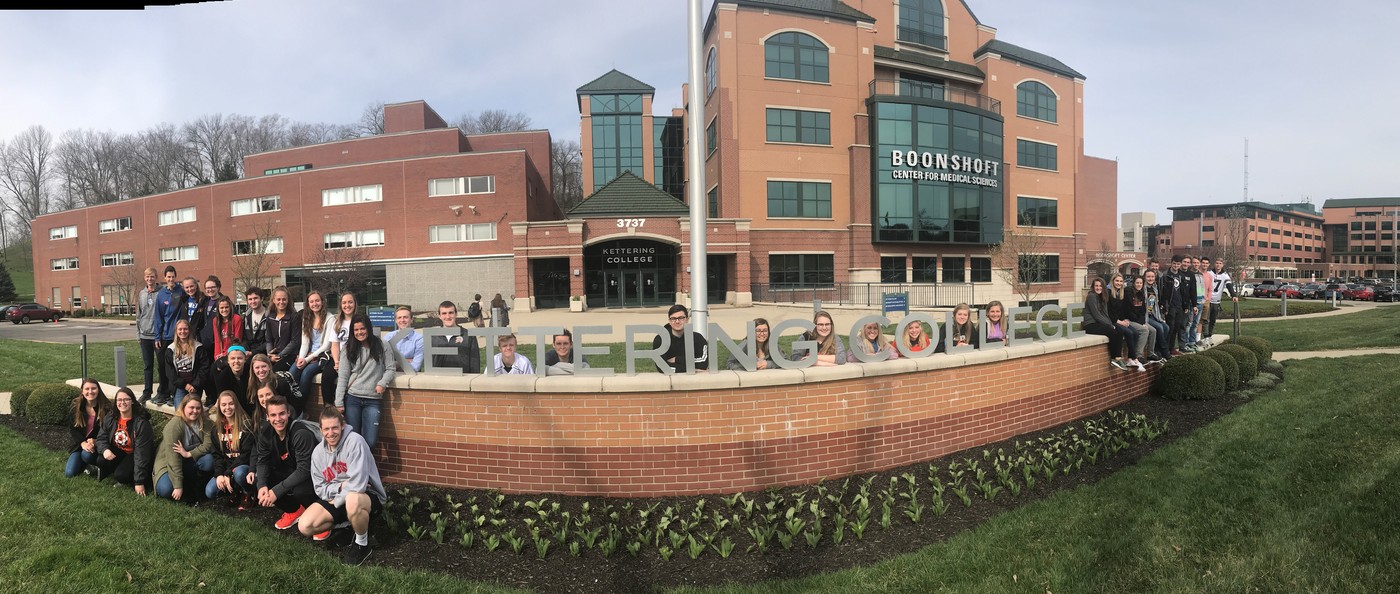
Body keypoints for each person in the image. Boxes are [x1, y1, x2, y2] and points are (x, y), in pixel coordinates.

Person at [298, 407, 386, 565]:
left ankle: (362, 544)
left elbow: (358, 485)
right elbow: (319, 488)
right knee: (305, 526)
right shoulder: (318, 453)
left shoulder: (355, 442)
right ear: (321, 429)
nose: (330, 433)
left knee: (352, 498)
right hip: (336, 496)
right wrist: (339, 488)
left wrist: (338, 499)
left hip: (367, 495)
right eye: (326, 429)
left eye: (334, 427)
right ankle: (348, 527)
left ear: (342, 425)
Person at [250, 394, 319, 530]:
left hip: (312, 476)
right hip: (289, 470)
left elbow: (305, 469)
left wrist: (276, 491)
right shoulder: (265, 432)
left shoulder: (300, 433)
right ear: (268, 416)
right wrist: (262, 486)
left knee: (300, 491)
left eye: (282, 414)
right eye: (273, 415)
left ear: (288, 412)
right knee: (258, 479)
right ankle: (294, 511)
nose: (278, 419)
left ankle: (319, 517)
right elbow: (262, 460)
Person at [336, 314, 395, 450]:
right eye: (356, 330)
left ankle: (367, 469)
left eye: (362, 328)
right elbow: (343, 377)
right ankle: (357, 471)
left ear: (368, 328)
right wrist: (339, 402)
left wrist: (382, 383)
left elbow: (390, 369)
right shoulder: (348, 348)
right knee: (352, 440)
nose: (359, 332)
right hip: (353, 399)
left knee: (370, 442)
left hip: (373, 400)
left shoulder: (382, 345)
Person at [153, 395, 216, 501]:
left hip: (189, 460)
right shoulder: (174, 426)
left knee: (209, 460)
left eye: (198, 408)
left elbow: (208, 445)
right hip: (168, 463)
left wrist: (189, 454)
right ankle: (179, 484)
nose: (195, 411)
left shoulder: (205, 422)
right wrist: (178, 486)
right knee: (165, 490)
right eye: (191, 408)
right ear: (183, 407)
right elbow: (173, 458)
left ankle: (196, 486)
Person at [95, 387, 155, 496]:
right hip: (120, 451)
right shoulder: (111, 417)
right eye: (119, 400)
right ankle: (120, 471)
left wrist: (139, 482)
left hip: (134, 453)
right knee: (101, 459)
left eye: (126, 399)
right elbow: (101, 437)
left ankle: (129, 476)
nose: (122, 403)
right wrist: (105, 449)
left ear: (132, 401)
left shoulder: (141, 423)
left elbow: (142, 454)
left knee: (121, 475)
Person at [205, 391, 257, 505]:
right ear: (219, 407)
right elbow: (216, 455)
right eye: (223, 405)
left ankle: (248, 492)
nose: (227, 407)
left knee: (239, 473)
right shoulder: (216, 429)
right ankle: (234, 491)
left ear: (236, 405)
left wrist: (228, 473)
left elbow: (245, 455)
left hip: (243, 467)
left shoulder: (246, 425)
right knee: (210, 492)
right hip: (226, 468)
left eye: (231, 404)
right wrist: (219, 475)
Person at [65, 378, 111, 478]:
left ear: (98, 390)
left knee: (86, 455)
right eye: (87, 389)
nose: (90, 392)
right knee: (69, 473)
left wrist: (96, 441)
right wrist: (83, 443)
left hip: (98, 446)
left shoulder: (106, 408)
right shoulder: (76, 406)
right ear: (82, 391)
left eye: (93, 388)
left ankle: (94, 464)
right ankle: (86, 464)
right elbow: (73, 429)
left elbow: (110, 432)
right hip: (80, 445)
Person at [294, 290, 334, 401]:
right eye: (311, 301)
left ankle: (301, 406)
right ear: (308, 304)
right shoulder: (307, 318)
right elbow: (305, 342)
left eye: (317, 300)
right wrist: (302, 358)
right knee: (293, 371)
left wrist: (307, 359)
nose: (315, 304)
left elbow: (327, 345)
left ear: (322, 302)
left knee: (306, 373)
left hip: (322, 356)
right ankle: (292, 403)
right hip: (308, 355)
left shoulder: (330, 319)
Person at [162, 319, 212, 406]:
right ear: (176, 331)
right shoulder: (170, 349)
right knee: (180, 412)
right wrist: (184, 385)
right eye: (180, 329)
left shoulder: (198, 347)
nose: (183, 331)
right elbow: (170, 372)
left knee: (193, 409)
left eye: (185, 329)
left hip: (195, 386)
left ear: (189, 330)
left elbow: (204, 367)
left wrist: (195, 385)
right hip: (180, 386)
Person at [1081, 278, 1129, 369]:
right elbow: (1097, 315)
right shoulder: (1091, 296)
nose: (1098, 288)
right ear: (1093, 287)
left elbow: (1105, 314)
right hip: (1090, 325)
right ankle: (1114, 358)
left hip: (1099, 323)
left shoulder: (1103, 297)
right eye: (1096, 286)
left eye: (1100, 286)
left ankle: (1118, 358)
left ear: (1103, 287)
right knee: (1112, 331)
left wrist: (1112, 324)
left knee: (1120, 330)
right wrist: (1110, 325)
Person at [152, 266, 181, 406]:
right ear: (165, 278)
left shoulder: (181, 291)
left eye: (173, 276)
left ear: (176, 277)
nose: (171, 279)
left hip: (179, 337)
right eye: (168, 277)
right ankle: (163, 393)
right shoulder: (161, 295)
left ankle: (173, 394)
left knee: (176, 367)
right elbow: (158, 317)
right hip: (165, 336)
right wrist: (157, 337)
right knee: (162, 365)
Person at [323, 292, 358, 408]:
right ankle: (328, 406)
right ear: (340, 305)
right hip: (339, 358)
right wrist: (337, 361)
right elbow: (335, 344)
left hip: (355, 358)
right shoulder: (337, 322)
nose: (347, 305)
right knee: (327, 375)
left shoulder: (360, 320)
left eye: (350, 302)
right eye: (344, 303)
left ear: (355, 304)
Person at [653, 304, 709, 372]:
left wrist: (677, 359)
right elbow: (662, 367)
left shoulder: (697, 338)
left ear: (687, 319)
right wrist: (692, 369)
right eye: (673, 318)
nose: (677, 321)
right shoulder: (660, 340)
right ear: (669, 321)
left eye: (681, 318)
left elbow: (703, 363)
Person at [247, 353, 305, 418]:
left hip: (290, 414)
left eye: (263, 366)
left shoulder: (280, 382)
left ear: (269, 366)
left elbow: (290, 406)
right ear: (253, 370)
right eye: (257, 367)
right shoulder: (252, 384)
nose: (261, 370)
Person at [1107, 274, 1146, 371]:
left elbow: (1122, 310)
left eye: (1121, 281)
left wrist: (1124, 319)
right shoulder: (1108, 293)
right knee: (1129, 332)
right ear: (1113, 281)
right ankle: (1135, 358)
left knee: (1135, 333)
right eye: (1117, 281)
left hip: (1120, 320)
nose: (1119, 283)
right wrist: (1118, 321)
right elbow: (1108, 311)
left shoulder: (1121, 293)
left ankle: (1130, 359)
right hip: (1112, 321)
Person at [430, 301, 481, 374]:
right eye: (444, 313)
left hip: (462, 381)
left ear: (456, 314)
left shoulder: (468, 336)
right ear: (439, 316)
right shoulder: (433, 337)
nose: (448, 317)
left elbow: (475, 363)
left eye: (451, 313)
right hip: (439, 381)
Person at [136, 267, 160, 404]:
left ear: (156, 277)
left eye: (152, 276)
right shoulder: (142, 294)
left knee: (161, 366)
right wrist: (138, 334)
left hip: (157, 336)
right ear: (144, 278)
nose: (149, 279)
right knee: (147, 366)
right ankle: (147, 391)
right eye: (147, 277)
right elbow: (138, 315)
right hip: (144, 336)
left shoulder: (162, 293)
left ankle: (163, 391)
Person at [1127, 276, 1162, 365]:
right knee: (1144, 330)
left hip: (1139, 320)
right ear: (1134, 283)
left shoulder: (1141, 294)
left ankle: (1150, 354)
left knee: (1153, 330)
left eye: (1141, 283)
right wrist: (1140, 323)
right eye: (1137, 283)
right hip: (1129, 320)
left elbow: (1143, 311)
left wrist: (1142, 322)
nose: (1139, 285)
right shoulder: (1129, 293)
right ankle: (1138, 356)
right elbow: (1128, 310)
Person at [265, 286, 300, 372]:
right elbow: (269, 340)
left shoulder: (294, 317)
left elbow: (295, 341)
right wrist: (270, 355)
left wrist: (280, 355)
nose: (281, 302)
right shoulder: (270, 317)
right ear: (273, 300)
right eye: (278, 299)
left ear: (288, 300)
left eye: (284, 299)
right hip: (275, 354)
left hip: (290, 355)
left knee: (273, 372)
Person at [211, 345, 252, 414]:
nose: (236, 361)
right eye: (233, 358)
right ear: (228, 361)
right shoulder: (222, 378)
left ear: (245, 359)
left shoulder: (251, 372)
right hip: (232, 408)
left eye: (240, 358)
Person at [1142, 269, 1172, 360]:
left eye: (1152, 276)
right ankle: (1165, 352)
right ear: (1145, 277)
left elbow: (1156, 303)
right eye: (1148, 276)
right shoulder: (1142, 288)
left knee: (1166, 327)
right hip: (1146, 315)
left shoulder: (1155, 288)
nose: (1150, 278)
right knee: (1159, 327)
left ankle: (1157, 349)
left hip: (1154, 314)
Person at [1206, 258, 1237, 342]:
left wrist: (1233, 295)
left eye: (1220, 263)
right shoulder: (1209, 273)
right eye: (1217, 263)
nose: (1218, 265)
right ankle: (1204, 336)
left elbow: (1229, 285)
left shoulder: (1225, 275)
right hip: (1207, 300)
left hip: (1216, 301)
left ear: (1222, 265)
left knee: (1212, 320)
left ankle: (1209, 335)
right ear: (1214, 264)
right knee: (1204, 319)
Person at [384, 305, 424, 372]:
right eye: (399, 318)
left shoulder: (419, 339)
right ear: (396, 320)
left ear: (411, 319)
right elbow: (382, 363)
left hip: (410, 377)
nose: (402, 320)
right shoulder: (389, 336)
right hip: (390, 375)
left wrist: (393, 363)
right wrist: (406, 361)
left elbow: (415, 367)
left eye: (405, 317)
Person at [209, 296, 244, 368]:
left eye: (226, 307)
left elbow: (237, 341)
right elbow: (217, 340)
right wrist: (216, 357)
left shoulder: (237, 319)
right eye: (221, 308)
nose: (224, 310)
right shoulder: (216, 320)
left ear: (230, 308)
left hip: (233, 352)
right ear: (218, 309)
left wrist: (225, 354)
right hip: (220, 354)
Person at [176, 276, 209, 345]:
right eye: (187, 287)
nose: (190, 289)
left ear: (196, 286)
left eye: (191, 286)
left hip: (200, 337)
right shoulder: (183, 301)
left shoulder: (204, 300)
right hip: (186, 335)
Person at [198, 276, 226, 347]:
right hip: (206, 340)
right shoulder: (205, 302)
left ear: (218, 288)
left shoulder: (224, 302)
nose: (210, 290)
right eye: (207, 288)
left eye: (213, 287)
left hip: (219, 341)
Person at [242, 286, 270, 357]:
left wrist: (253, 353)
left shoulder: (269, 316)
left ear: (262, 298)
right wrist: (246, 351)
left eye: (255, 298)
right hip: (248, 353)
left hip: (264, 354)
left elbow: (269, 341)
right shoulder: (246, 316)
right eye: (250, 299)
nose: (253, 301)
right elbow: (244, 338)